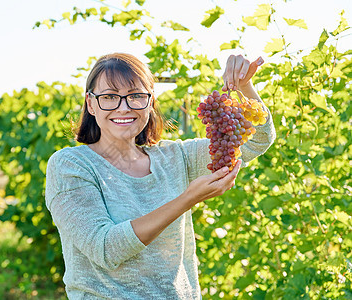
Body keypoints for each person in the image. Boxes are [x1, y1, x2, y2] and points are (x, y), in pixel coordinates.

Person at [45, 53, 276, 299]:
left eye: (136, 96)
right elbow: (105, 249)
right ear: (91, 104)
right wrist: (187, 200)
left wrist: (243, 85)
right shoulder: (71, 166)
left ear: (150, 102)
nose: (124, 107)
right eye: (110, 97)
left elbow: (257, 140)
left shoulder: (174, 157)